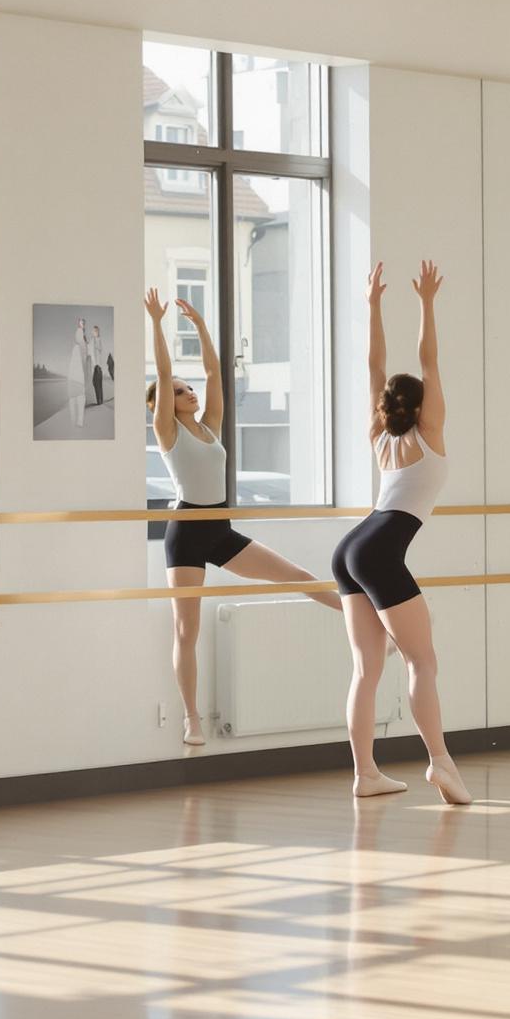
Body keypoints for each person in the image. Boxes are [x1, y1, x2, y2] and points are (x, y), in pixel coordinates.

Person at [145, 288, 340, 748]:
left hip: (221, 529)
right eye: (179, 390)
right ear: (163, 405)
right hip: (187, 533)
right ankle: (192, 718)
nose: (189, 391)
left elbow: (215, 372)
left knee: (298, 576)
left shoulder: (210, 425)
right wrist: (156, 324)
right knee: (186, 630)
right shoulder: (166, 429)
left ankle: (365, 621)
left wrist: (200, 325)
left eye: (188, 388)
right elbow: (165, 371)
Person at [332, 261, 470, 805]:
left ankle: (366, 772)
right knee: (422, 661)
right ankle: (440, 763)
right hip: (380, 547)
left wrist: (372, 305)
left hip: (350, 548)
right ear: (421, 407)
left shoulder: (379, 436)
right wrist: (428, 302)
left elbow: (375, 365)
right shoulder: (428, 432)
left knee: (367, 668)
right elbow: (429, 362)